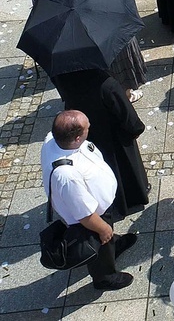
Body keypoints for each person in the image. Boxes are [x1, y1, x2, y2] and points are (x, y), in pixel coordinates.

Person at [41, 111, 139, 290]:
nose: (90, 127)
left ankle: (113, 245)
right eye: (87, 127)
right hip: (94, 216)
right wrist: (103, 229)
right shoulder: (67, 175)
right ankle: (105, 277)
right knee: (100, 241)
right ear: (77, 138)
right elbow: (85, 215)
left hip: (98, 206)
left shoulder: (53, 139)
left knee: (107, 239)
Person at [51, 70, 150, 217]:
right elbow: (126, 114)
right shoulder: (106, 83)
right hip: (115, 137)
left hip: (88, 137)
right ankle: (132, 199)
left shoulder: (61, 77)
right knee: (125, 169)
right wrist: (136, 129)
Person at [81, 0, 147, 103]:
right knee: (125, 70)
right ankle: (127, 96)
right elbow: (131, 18)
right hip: (120, 42)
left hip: (98, 43)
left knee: (108, 74)